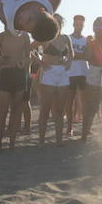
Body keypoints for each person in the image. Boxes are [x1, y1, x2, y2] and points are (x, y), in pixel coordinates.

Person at [0, 25, 33, 150]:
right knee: (3, 111)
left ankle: (12, 143)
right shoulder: (1, 36)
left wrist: (23, 63)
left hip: (19, 74)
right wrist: (1, 60)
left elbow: (29, 56)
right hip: (5, 74)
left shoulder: (25, 35)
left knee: (16, 111)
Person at [37, 14, 73, 145]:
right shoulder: (45, 37)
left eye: (59, 22)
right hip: (49, 72)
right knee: (45, 109)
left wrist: (69, 62)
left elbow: (71, 53)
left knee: (60, 109)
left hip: (63, 73)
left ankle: (59, 140)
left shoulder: (65, 37)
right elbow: (28, 49)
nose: (57, 24)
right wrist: (40, 62)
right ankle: (41, 140)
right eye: (54, 21)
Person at [65, 14, 89, 136]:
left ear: (83, 25)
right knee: (69, 102)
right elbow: (65, 56)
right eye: (77, 24)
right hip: (70, 73)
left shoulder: (86, 40)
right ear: (73, 24)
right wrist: (77, 55)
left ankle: (85, 128)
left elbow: (87, 56)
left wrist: (74, 55)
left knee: (84, 103)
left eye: (81, 24)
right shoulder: (67, 38)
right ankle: (69, 127)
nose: (79, 26)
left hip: (83, 73)